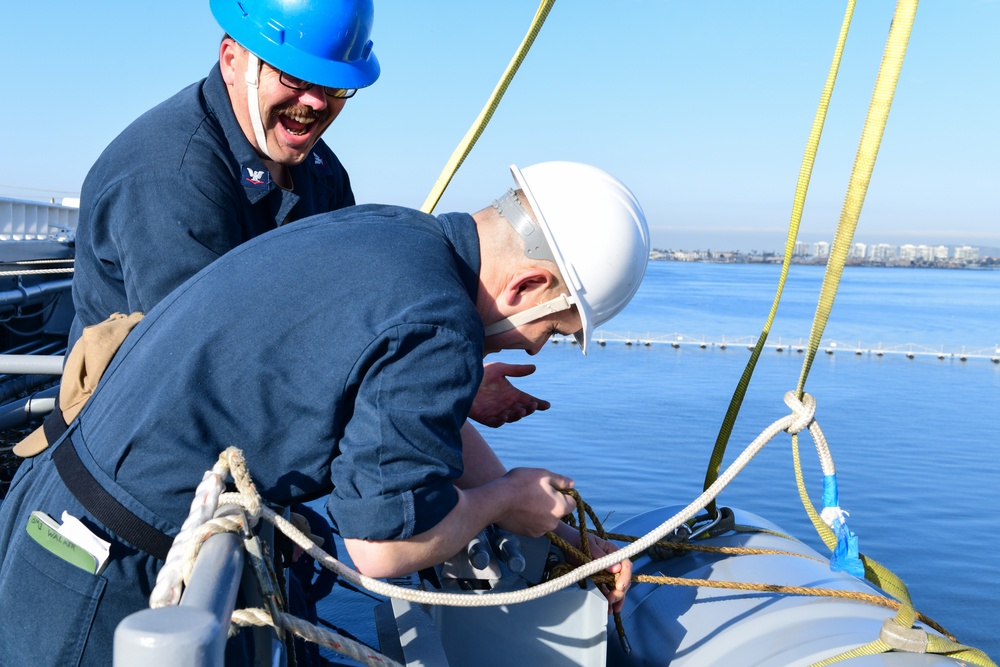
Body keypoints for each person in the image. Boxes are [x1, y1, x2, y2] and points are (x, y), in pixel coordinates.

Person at [0, 160, 649, 665]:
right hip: (101, 569)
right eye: (556, 330)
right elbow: (383, 544)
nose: (539, 345)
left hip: (57, 502)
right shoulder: (442, 323)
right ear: (529, 287)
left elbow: (411, 410)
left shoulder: (399, 235)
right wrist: (507, 499)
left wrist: (562, 538)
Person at [67, 0, 545, 428]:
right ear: (232, 61)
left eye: (335, 84)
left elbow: (356, 319)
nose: (315, 101)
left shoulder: (319, 170)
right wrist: (437, 392)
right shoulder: (169, 176)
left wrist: (444, 382)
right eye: (294, 77)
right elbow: (205, 366)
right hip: (132, 447)